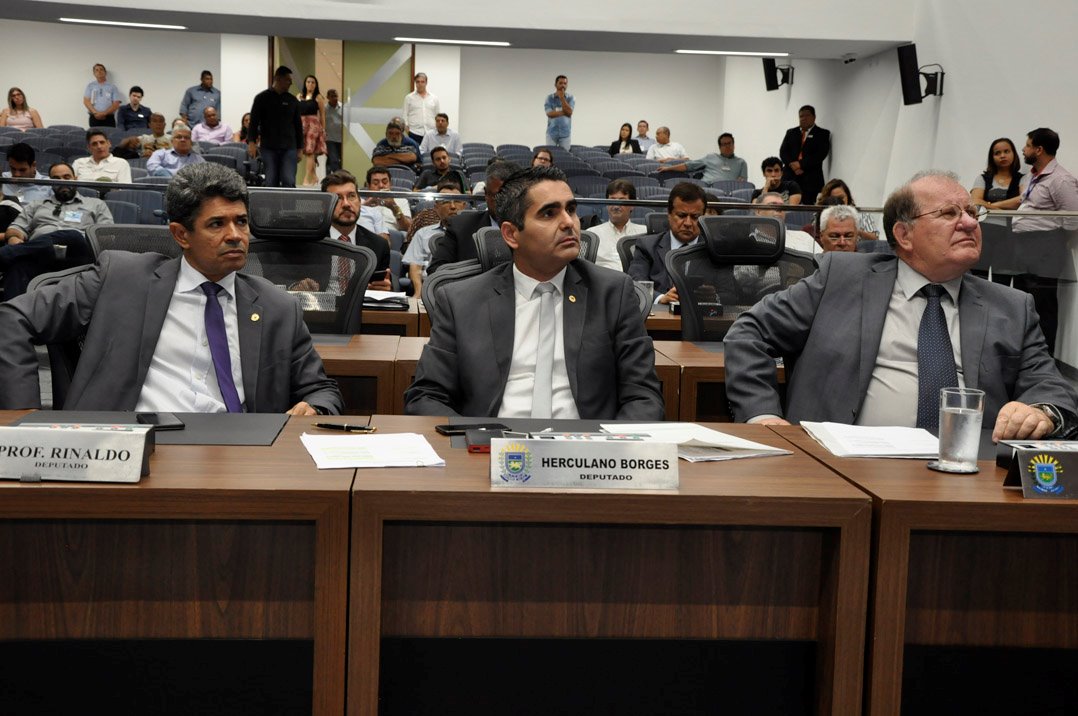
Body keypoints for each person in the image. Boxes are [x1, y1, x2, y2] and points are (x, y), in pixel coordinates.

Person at [724, 170, 1077, 441]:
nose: (970, 222)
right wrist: (762, 416)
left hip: (965, 475)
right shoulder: (841, 278)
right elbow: (750, 332)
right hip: (835, 466)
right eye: (949, 213)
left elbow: (1050, 386)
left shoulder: (1013, 306)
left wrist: (1041, 412)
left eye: (973, 212)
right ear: (904, 235)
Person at [0, 163, 343, 415]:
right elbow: (14, 318)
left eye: (240, 221)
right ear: (181, 235)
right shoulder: (120, 278)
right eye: (217, 224)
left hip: (238, 453)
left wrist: (314, 407)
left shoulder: (277, 306)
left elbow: (321, 390)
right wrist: (23, 417)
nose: (236, 235)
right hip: (131, 446)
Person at [404, 165, 664, 420]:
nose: (569, 223)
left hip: (585, 442)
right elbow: (426, 397)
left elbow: (643, 397)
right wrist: (474, 439)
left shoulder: (613, 293)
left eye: (571, 210)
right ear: (511, 234)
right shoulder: (461, 301)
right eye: (549, 214)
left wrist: (610, 444)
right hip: (490, 441)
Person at [0, 162, 111, 299]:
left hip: (78, 256)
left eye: (67, 177)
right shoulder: (36, 205)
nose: (62, 182)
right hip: (41, 256)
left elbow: (106, 235)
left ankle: (5, 254)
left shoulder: (96, 204)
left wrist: (19, 250)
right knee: (17, 268)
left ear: (75, 178)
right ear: (50, 182)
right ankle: (12, 311)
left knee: (72, 235)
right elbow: (16, 228)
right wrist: (14, 238)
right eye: (56, 178)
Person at [1011, 128, 1078, 355]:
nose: (1023, 149)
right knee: (1022, 303)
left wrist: (1053, 241)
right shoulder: (1035, 175)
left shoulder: (1061, 179)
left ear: (1039, 149)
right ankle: (1023, 357)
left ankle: (1043, 362)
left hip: (1045, 247)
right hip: (1025, 246)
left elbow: (1073, 219)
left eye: (1027, 145)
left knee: (1043, 306)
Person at [426, 159, 520, 275]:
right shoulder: (461, 227)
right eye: (499, 195)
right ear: (486, 193)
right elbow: (436, 271)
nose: (505, 202)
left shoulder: (534, 228)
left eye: (512, 196)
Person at [628, 181, 707, 304]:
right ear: (669, 214)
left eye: (695, 217)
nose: (688, 223)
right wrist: (660, 298)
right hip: (659, 313)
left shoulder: (712, 250)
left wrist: (713, 297)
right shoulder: (647, 246)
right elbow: (635, 283)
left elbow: (730, 293)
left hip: (702, 313)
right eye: (681, 215)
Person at [403, 178, 466, 295]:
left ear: (464, 205)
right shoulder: (422, 234)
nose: (453, 206)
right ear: (436, 207)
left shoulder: (473, 233)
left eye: (457, 201)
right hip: (429, 288)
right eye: (446, 202)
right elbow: (415, 266)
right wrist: (419, 293)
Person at [247, 66, 303, 188]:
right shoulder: (261, 98)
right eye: (288, 80)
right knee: (271, 181)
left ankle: (289, 201)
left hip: (289, 148)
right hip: (268, 147)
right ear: (278, 79)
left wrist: (300, 149)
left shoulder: (293, 100)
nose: (291, 83)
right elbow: (253, 122)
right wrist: (251, 142)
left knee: (288, 180)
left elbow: (298, 126)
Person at [778, 104, 830, 206]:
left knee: (809, 209)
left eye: (807, 115)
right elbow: (783, 152)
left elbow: (820, 154)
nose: (803, 118)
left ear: (814, 117)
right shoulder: (791, 132)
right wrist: (793, 165)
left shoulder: (822, 134)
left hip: (811, 179)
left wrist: (801, 164)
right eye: (801, 116)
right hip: (790, 176)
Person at [589, 179, 646, 271]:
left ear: (632, 205)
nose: (616, 206)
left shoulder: (645, 234)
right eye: (612, 200)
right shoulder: (592, 234)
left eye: (622, 201)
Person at [660, 132, 749, 184]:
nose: (727, 146)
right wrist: (668, 168)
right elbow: (689, 165)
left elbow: (742, 182)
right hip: (707, 188)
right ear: (720, 147)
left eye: (729, 143)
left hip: (727, 192)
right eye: (724, 144)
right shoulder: (711, 157)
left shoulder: (741, 162)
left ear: (734, 145)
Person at [753, 192, 819, 254]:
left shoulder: (804, 236)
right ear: (758, 211)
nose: (779, 209)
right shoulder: (749, 240)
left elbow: (821, 259)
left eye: (782, 207)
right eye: (773, 205)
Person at [296, 75, 327, 187]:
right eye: (308, 82)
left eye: (313, 82)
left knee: (310, 152)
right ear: (305, 83)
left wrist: (323, 129)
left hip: (313, 125)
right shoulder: (299, 96)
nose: (310, 84)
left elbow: (322, 115)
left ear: (316, 84)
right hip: (301, 124)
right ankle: (314, 177)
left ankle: (306, 178)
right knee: (305, 152)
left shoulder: (318, 97)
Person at [364, 166, 412, 235]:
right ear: (368, 186)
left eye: (385, 182)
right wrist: (365, 205)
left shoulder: (401, 201)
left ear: (390, 184)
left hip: (394, 236)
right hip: (368, 235)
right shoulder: (361, 202)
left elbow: (408, 228)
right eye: (376, 183)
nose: (381, 186)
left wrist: (394, 207)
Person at [402, 73, 440, 145]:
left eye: (422, 82)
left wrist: (437, 130)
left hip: (431, 133)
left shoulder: (434, 98)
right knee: (415, 152)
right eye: (418, 82)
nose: (420, 84)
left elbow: (438, 115)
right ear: (415, 83)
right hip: (414, 133)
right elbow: (404, 115)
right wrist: (407, 131)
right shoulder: (409, 98)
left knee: (431, 152)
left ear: (426, 83)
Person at [82, 63, 122, 127]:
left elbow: (116, 104)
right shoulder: (90, 86)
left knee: (110, 133)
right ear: (94, 73)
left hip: (109, 118)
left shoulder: (112, 87)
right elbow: (86, 101)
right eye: (96, 70)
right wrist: (95, 112)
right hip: (94, 117)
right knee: (94, 134)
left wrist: (104, 113)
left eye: (101, 69)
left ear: (105, 72)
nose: (99, 71)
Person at [544, 75, 574, 150]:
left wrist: (562, 97)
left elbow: (569, 112)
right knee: (551, 154)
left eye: (565, 83)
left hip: (565, 134)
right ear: (555, 84)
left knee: (565, 155)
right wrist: (565, 111)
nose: (563, 85)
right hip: (552, 133)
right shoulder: (549, 98)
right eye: (560, 83)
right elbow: (549, 114)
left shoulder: (571, 98)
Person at [324, 90, 342, 174]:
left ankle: (330, 176)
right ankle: (338, 176)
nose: (335, 98)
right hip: (330, 139)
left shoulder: (343, 107)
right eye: (332, 96)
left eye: (336, 96)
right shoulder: (324, 109)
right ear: (328, 97)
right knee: (334, 160)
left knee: (340, 160)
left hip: (342, 139)